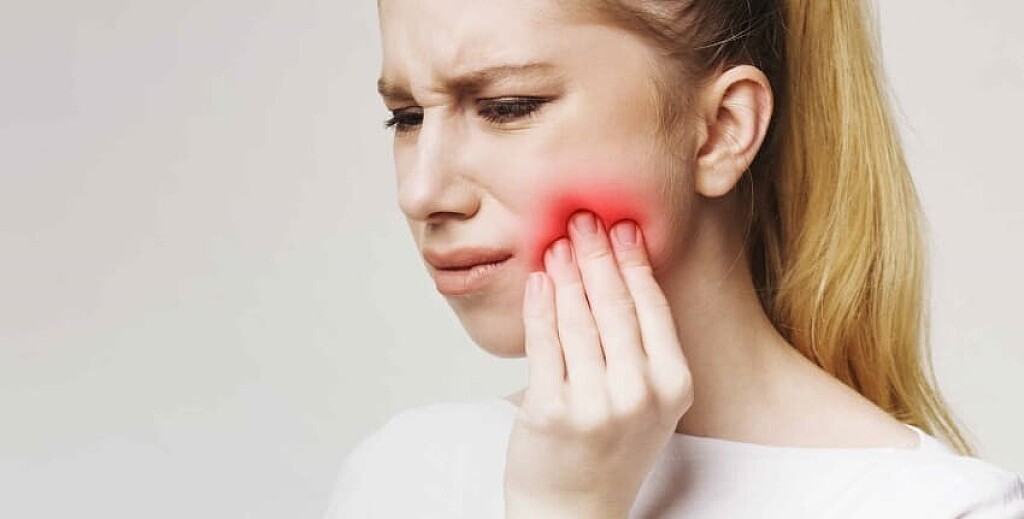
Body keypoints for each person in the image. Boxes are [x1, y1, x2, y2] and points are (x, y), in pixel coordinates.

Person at [327, 0, 1024, 517]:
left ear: (721, 130)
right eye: (406, 117)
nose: (421, 192)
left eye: (507, 106)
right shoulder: (401, 474)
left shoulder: (939, 509)